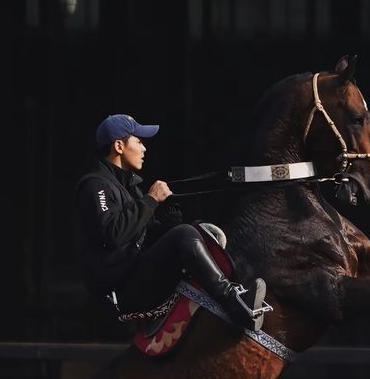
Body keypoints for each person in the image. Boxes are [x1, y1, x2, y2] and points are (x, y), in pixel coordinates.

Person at [75, 114, 267, 331]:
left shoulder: (129, 186)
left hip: (134, 275)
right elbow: (114, 234)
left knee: (192, 231)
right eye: (138, 141)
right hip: (119, 291)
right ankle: (235, 301)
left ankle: (230, 299)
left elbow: (140, 235)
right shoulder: (95, 186)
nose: (144, 148)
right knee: (184, 235)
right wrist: (150, 201)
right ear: (119, 146)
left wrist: (166, 224)